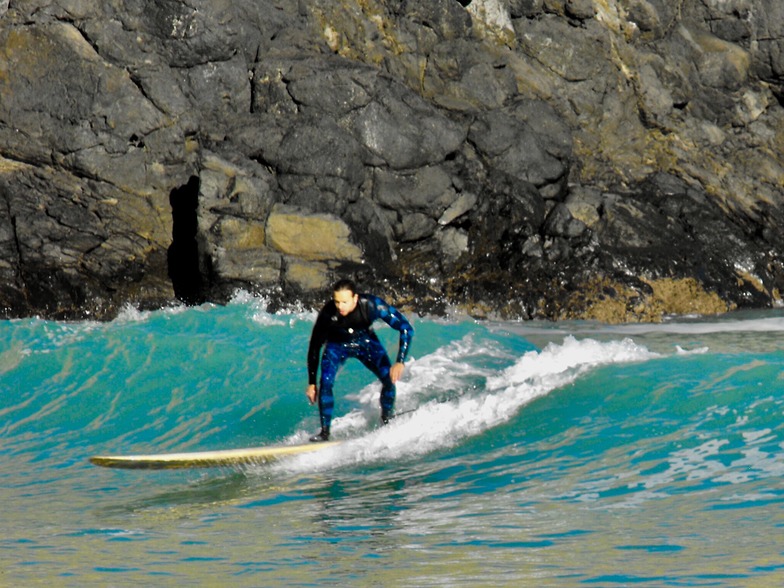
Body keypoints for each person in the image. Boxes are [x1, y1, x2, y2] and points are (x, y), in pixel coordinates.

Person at [306, 279, 414, 442]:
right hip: (337, 345)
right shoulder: (328, 314)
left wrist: (400, 361)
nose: (340, 306)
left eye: (344, 302)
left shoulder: (372, 306)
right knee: (326, 383)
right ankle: (324, 433)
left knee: (388, 379)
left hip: (366, 342)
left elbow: (405, 328)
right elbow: (314, 346)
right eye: (337, 302)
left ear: (355, 298)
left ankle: (387, 420)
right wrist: (312, 382)